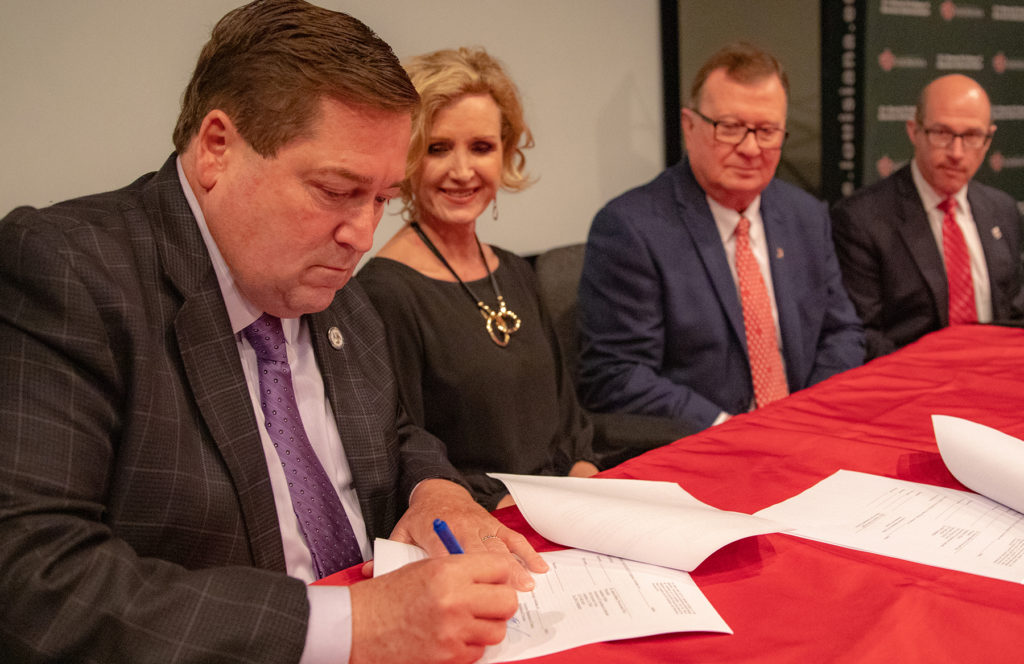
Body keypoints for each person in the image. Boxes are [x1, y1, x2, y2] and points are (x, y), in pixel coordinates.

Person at [0, 2, 547, 664]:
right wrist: (357, 627)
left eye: (381, 197)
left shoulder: (329, 276)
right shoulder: (71, 270)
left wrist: (435, 489)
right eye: (336, 190)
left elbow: (396, 431)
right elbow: (33, 580)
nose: (362, 233)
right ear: (217, 149)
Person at [356, 47, 601, 511]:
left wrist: (583, 472)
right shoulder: (384, 293)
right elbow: (402, 455)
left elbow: (567, 416)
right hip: (480, 525)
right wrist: (508, 504)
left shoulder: (515, 270)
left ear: (505, 154)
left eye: (482, 148)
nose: (463, 171)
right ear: (405, 156)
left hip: (565, 510)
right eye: (438, 148)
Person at [577, 42, 864, 432]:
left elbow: (841, 331)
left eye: (766, 131)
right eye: (729, 128)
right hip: (702, 443)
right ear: (689, 126)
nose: (750, 148)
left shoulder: (806, 216)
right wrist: (733, 429)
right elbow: (617, 374)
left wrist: (807, 414)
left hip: (806, 430)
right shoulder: (631, 228)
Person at [830, 74, 1024, 359]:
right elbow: (861, 334)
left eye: (971, 136)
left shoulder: (1002, 209)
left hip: (992, 378)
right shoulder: (861, 219)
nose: (956, 153)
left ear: (987, 139)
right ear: (914, 131)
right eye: (942, 133)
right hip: (910, 384)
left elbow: (1014, 314)